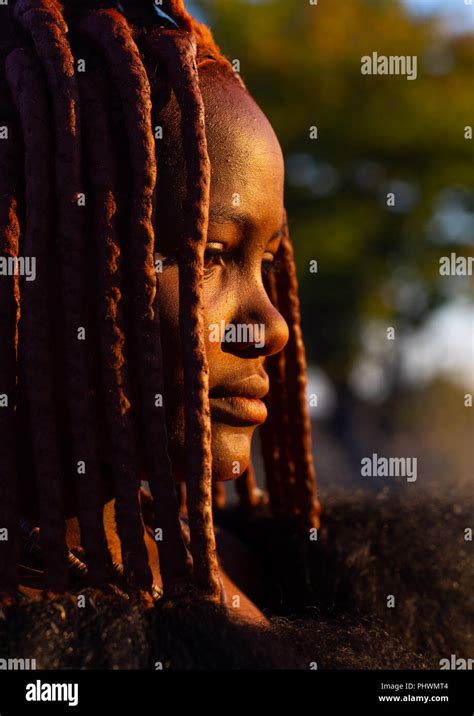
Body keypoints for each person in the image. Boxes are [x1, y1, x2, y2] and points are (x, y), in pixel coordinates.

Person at [0, 0, 320, 623]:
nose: (273, 326)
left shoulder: (226, 564)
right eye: (209, 256)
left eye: (269, 262)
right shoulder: (48, 633)